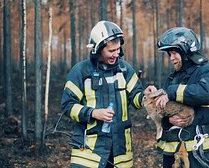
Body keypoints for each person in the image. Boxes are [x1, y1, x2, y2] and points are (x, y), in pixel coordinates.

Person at [61, 20, 156, 168]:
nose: (116, 54)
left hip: (120, 152)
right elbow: (67, 106)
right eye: (111, 51)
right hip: (88, 154)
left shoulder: (125, 70)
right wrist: (93, 113)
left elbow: (136, 98)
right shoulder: (80, 71)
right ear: (98, 49)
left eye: (118, 49)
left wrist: (146, 97)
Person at [154, 27, 209, 167]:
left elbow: (205, 93)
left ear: (186, 51)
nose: (171, 58)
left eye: (174, 53)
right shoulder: (173, 77)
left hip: (197, 153)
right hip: (172, 155)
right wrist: (168, 120)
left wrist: (172, 91)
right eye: (169, 54)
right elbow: (162, 111)